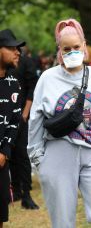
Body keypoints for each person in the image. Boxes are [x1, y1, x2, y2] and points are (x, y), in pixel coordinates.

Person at [27, 18, 91, 228]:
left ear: (84, 46)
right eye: (67, 48)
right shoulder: (47, 79)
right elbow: (36, 120)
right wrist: (38, 159)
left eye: (77, 47)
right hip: (59, 152)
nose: (72, 52)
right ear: (59, 50)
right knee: (63, 220)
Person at [0, 29, 25, 228]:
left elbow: (15, 122)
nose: (17, 52)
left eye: (18, 49)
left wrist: (4, 152)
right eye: (11, 48)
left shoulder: (14, 85)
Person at [9, 47, 39, 209]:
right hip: (6, 116)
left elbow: (32, 89)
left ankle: (26, 193)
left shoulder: (26, 63)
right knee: (10, 154)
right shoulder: (6, 66)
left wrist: (25, 113)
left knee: (22, 154)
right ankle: (16, 190)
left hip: (21, 115)